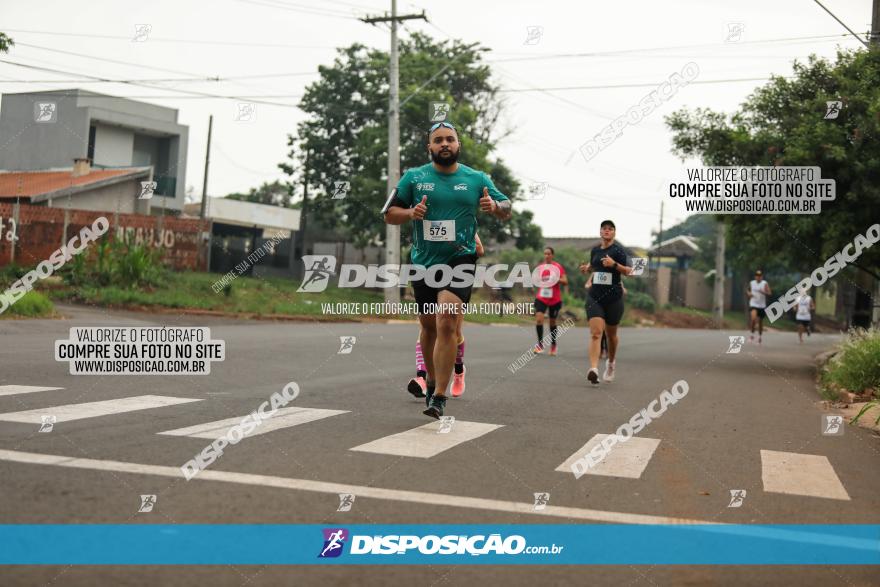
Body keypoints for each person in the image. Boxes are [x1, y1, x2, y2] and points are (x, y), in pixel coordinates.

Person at [385, 121, 511, 418]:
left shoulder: (476, 178)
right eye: (438, 140)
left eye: (450, 139)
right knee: (428, 326)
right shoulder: (413, 178)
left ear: (458, 145)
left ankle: (440, 395)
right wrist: (410, 213)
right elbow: (389, 214)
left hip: (461, 259)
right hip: (423, 260)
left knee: (447, 320)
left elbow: (507, 206)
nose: (445, 144)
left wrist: (494, 207)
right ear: (429, 147)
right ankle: (430, 380)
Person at [409, 234, 484, 398]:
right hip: (429, 273)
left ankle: (458, 371)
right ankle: (423, 377)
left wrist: (457, 250)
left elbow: (479, 249)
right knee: (427, 328)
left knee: (453, 331)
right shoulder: (426, 222)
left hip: (454, 278)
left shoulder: (463, 222)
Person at [579, 220, 632, 385]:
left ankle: (611, 363)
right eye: (604, 229)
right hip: (595, 296)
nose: (607, 231)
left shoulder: (618, 251)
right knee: (596, 333)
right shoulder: (595, 250)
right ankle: (594, 369)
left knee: (611, 335)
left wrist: (614, 264)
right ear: (600, 232)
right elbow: (594, 266)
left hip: (614, 299)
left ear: (614, 233)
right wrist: (587, 268)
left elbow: (631, 271)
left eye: (610, 229)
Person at [533, 246, 568, 356]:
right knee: (539, 319)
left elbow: (565, 281)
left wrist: (556, 279)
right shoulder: (540, 267)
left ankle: (553, 345)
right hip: (542, 297)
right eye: (545, 254)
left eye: (549, 254)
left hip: (554, 299)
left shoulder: (558, 267)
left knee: (552, 322)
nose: (547, 255)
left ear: (552, 255)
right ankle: (540, 345)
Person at [747, 270, 771, 344]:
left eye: (760, 276)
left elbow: (769, 293)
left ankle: (760, 337)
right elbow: (747, 290)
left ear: (762, 277)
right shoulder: (752, 283)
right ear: (755, 276)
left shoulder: (765, 283)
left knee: (760, 322)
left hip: (762, 305)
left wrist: (763, 292)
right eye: (757, 276)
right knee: (753, 319)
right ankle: (751, 335)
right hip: (753, 304)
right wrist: (749, 294)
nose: (758, 277)